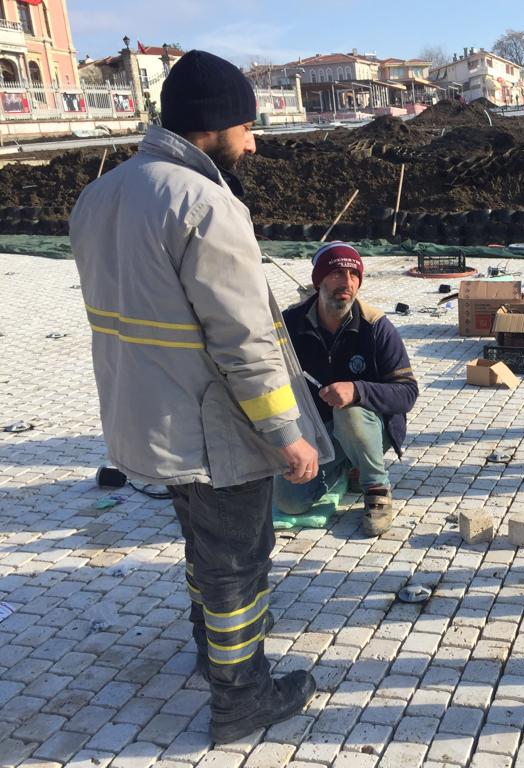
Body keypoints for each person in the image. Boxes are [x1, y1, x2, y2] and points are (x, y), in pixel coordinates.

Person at [70, 50, 335, 744]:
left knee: (205, 550)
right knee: (236, 567)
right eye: (248, 126)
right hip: (213, 431)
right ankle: (240, 694)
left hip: (146, 422)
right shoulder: (204, 204)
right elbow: (241, 340)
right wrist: (287, 434)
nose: (252, 142)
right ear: (213, 127)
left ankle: (213, 653)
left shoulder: (102, 194)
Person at [275, 242, 419, 535]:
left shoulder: (376, 326)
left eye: (354, 275)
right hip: (314, 432)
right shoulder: (290, 323)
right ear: (319, 280)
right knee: (289, 501)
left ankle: (376, 488)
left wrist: (358, 390)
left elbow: (407, 392)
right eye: (337, 273)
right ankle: (344, 467)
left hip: (369, 429)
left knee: (349, 413)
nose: (347, 283)